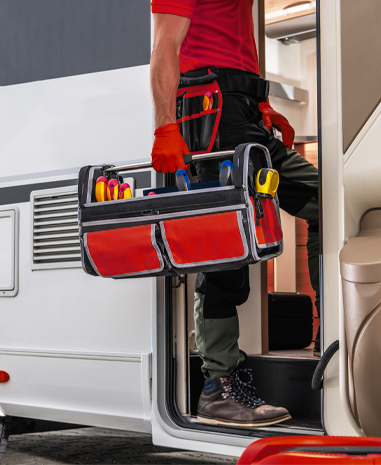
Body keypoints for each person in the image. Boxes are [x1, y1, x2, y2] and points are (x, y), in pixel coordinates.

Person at [150, 0, 319, 428]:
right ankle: (217, 386)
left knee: (327, 202)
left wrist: (259, 105)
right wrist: (165, 125)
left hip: (244, 110)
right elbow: (166, 44)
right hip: (210, 111)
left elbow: (236, 44)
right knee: (225, 247)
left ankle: (334, 332)